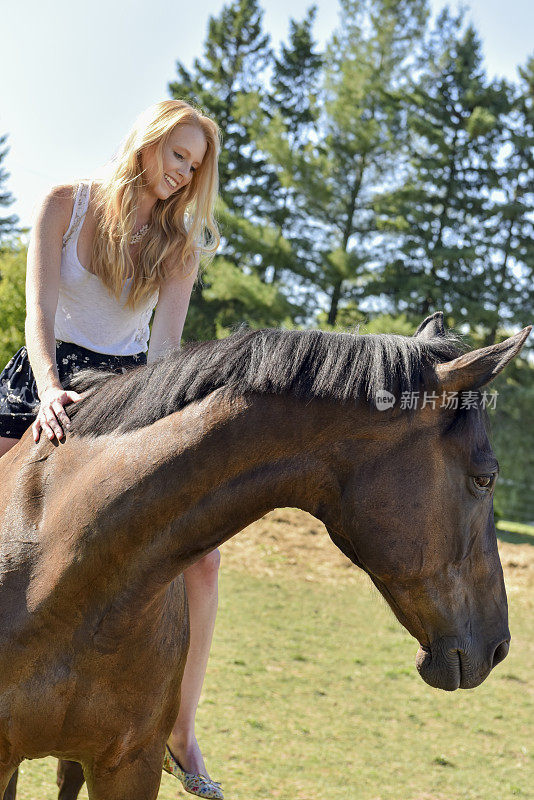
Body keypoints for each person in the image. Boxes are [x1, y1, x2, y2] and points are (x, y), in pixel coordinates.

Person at [0, 99, 224, 800]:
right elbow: (36, 312)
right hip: (43, 375)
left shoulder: (179, 246)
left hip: (125, 392)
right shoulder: (64, 203)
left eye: (195, 168)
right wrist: (46, 389)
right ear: (148, 142)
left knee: (205, 556)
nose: (184, 175)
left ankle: (180, 730)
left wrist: (166, 428)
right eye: (178, 156)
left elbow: (163, 354)